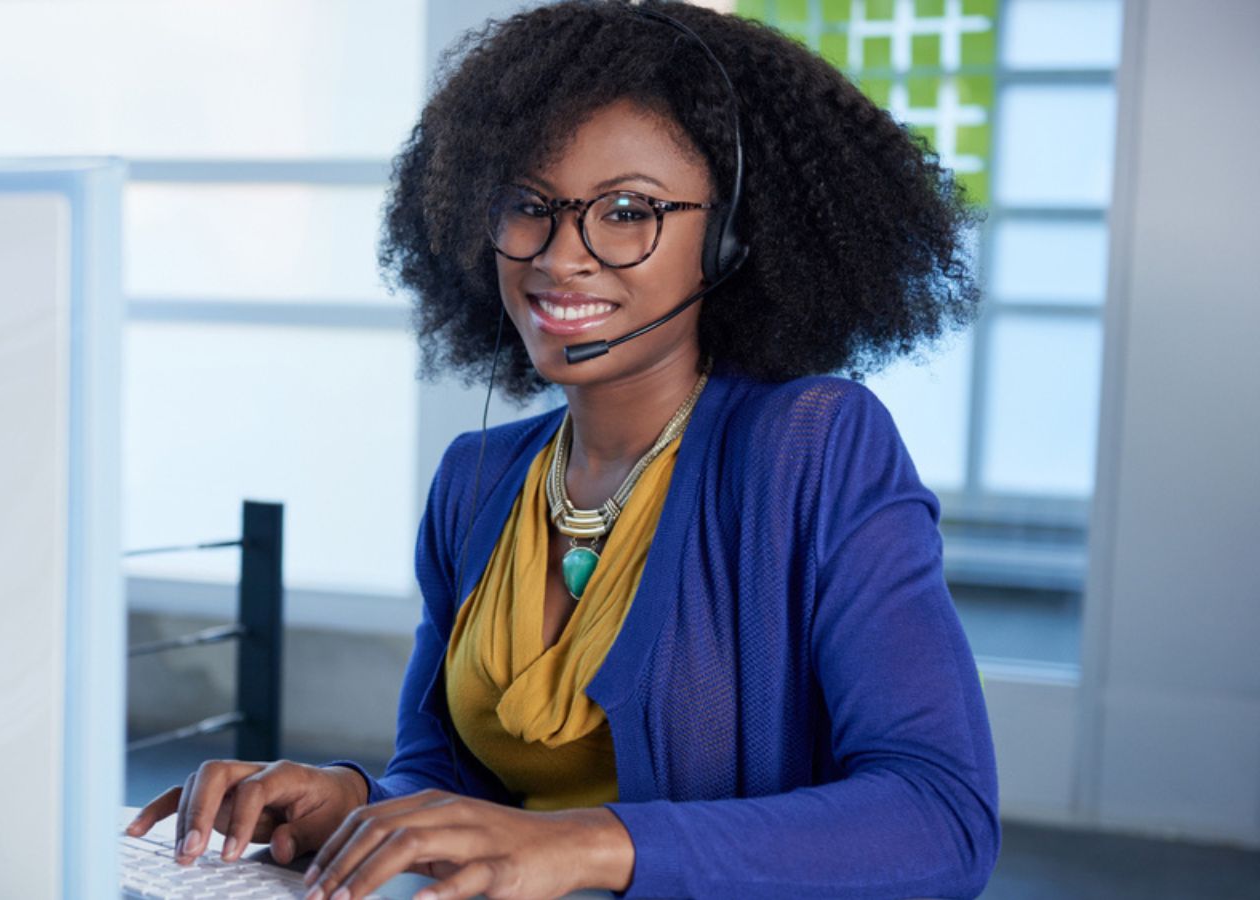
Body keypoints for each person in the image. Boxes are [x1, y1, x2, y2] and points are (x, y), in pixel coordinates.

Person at [127, 2, 999, 897]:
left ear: (733, 237)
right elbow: (452, 786)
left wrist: (587, 844)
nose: (560, 256)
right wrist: (352, 802)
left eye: (627, 211)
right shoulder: (478, 483)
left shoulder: (812, 448)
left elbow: (941, 817)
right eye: (529, 206)